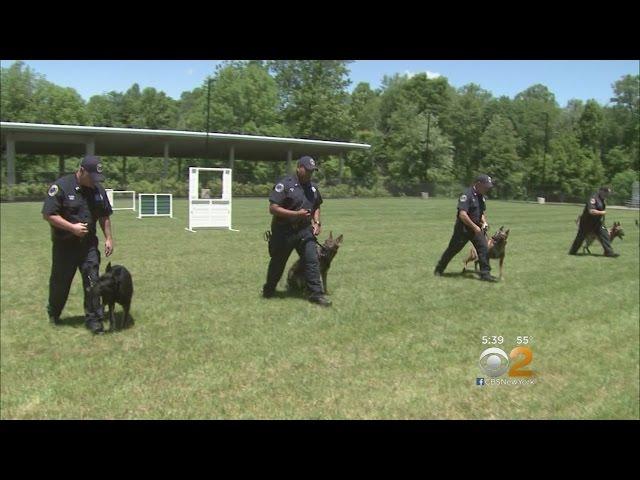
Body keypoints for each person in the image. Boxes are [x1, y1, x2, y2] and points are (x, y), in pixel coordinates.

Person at [42, 155, 114, 333]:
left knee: (93, 281)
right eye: (91, 177)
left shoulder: (98, 190)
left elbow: (104, 215)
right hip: (64, 247)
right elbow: (48, 214)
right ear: (81, 171)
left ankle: (95, 320)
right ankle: (54, 313)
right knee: (60, 283)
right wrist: (71, 227)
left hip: (88, 246)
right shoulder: (61, 187)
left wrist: (109, 238)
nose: (94, 182)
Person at [263, 156, 332, 306]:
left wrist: (317, 222)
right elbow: (273, 208)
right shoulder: (285, 185)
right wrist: (296, 214)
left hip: (304, 231)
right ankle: (269, 290)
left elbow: (316, 206)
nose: (309, 174)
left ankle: (316, 294)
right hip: (284, 231)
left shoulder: (312, 188)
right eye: (307, 170)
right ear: (298, 167)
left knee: (312, 261)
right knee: (278, 263)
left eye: (312, 171)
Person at [434, 174, 499, 282]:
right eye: (486, 186)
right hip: (463, 230)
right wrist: (474, 227)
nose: (487, 188)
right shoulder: (466, 195)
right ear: (478, 184)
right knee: (452, 250)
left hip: (476, 229)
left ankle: (485, 274)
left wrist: (484, 222)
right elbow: (462, 215)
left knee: (484, 248)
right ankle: (439, 269)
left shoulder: (481, 197)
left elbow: (481, 213)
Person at [569, 186, 619, 257]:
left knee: (605, 235)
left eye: (609, 193)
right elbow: (591, 211)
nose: (608, 195)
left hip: (597, 223)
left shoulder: (603, 199)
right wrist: (602, 212)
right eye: (607, 193)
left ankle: (609, 252)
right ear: (601, 191)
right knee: (580, 237)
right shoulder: (593, 198)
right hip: (586, 223)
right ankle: (572, 251)